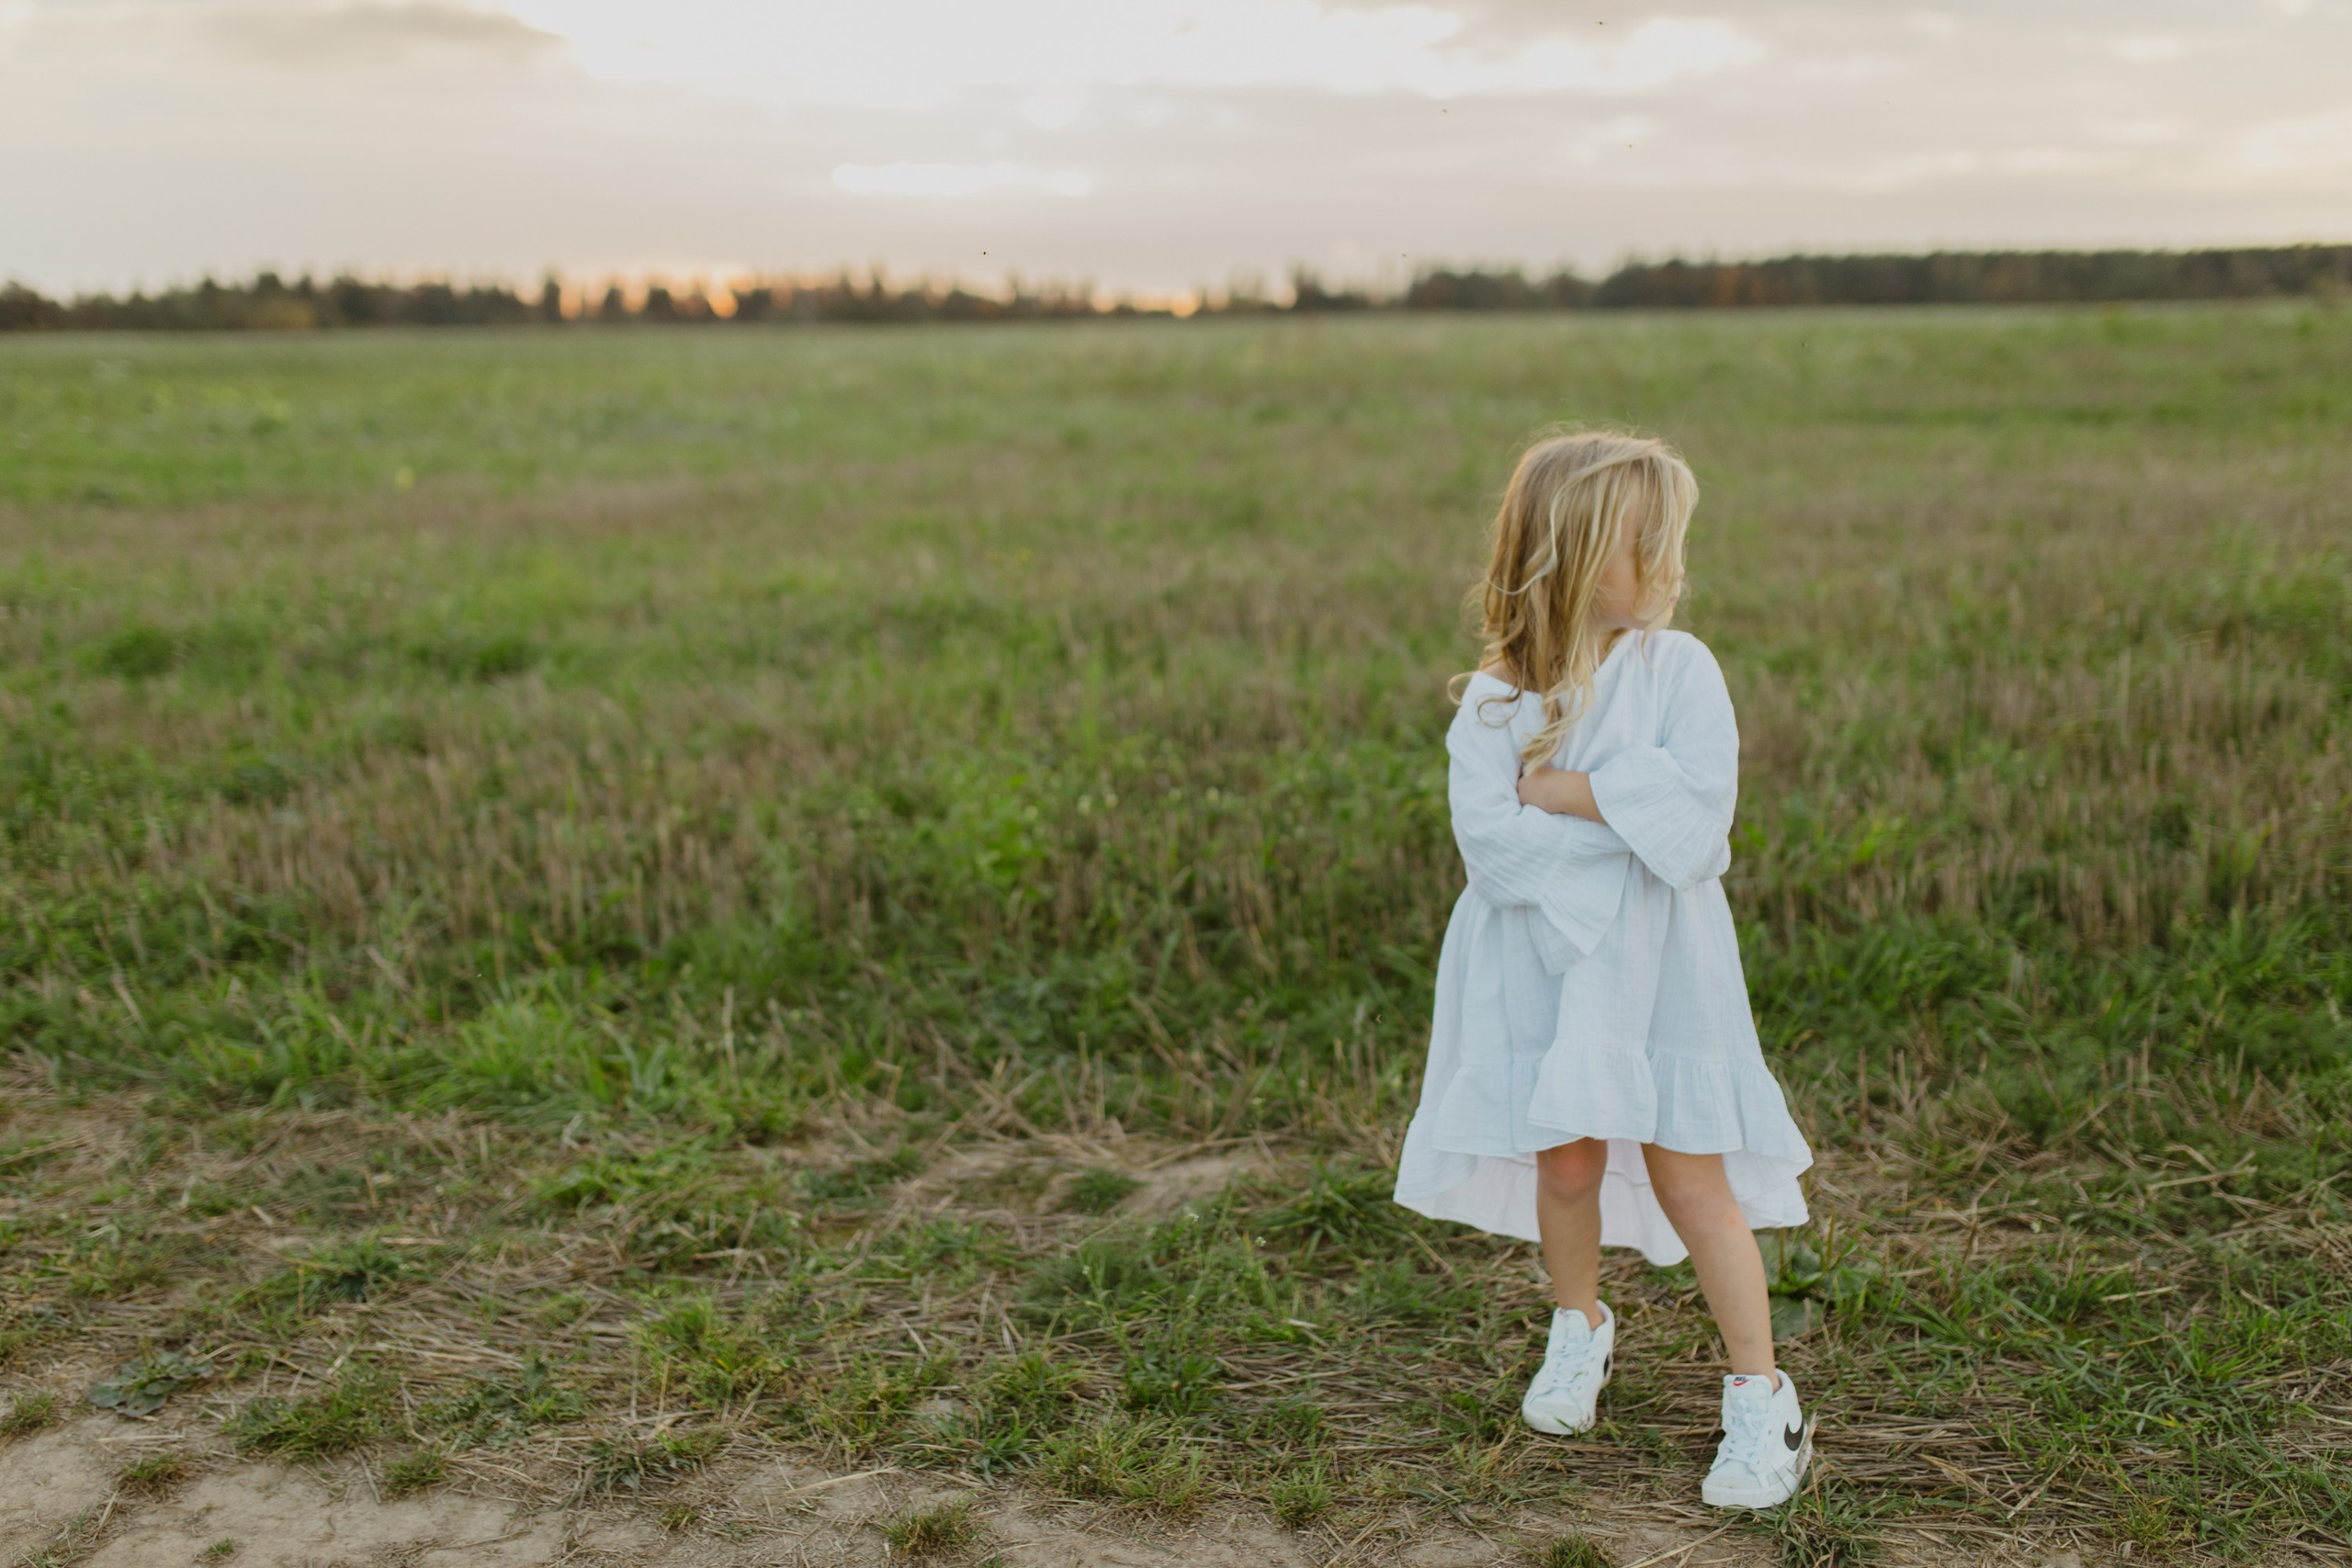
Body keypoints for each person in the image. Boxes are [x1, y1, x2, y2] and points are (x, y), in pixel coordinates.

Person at [1392, 429, 1816, 1508]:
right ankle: (1577, 1326)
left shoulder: (1680, 670)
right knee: (1567, 1163)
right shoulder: (1493, 702)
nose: (1672, 569)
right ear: (1574, 558)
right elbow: (1489, 847)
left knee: (1689, 1174)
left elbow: (1697, 827)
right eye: (1648, 547)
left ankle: (1761, 1397)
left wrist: (1571, 792)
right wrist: (1621, 821)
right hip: (1541, 966)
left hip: (1664, 968)